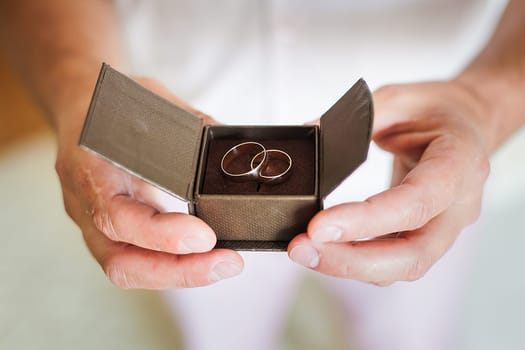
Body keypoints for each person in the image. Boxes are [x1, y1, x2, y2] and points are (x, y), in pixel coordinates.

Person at [1, 0, 524, 349]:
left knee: (408, 331)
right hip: (169, 169)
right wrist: (77, 86)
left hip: (413, 162)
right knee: (221, 331)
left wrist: (487, 100)